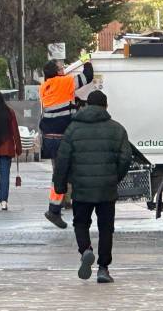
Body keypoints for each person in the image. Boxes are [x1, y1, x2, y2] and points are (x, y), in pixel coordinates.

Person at [52, 90, 132, 283]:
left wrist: (60, 186)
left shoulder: (73, 129)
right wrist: (115, 177)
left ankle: (86, 250)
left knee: (81, 223)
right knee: (106, 228)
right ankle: (103, 269)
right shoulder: (117, 129)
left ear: (87, 105)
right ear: (105, 106)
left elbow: (62, 160)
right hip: (106, 188)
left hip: (81, 187)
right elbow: (125, 158)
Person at [40, 57, 94, 229]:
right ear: (57, 72)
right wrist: (87, 60)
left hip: (49, 137)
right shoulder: (64, 82)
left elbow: (61, 104)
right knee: (65, 174)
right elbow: (88, 76)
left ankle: (56, 208)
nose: (63, 68)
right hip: (62, 137)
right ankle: (55, 210)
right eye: (61, 67)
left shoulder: (45, 86)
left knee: (60, 173)